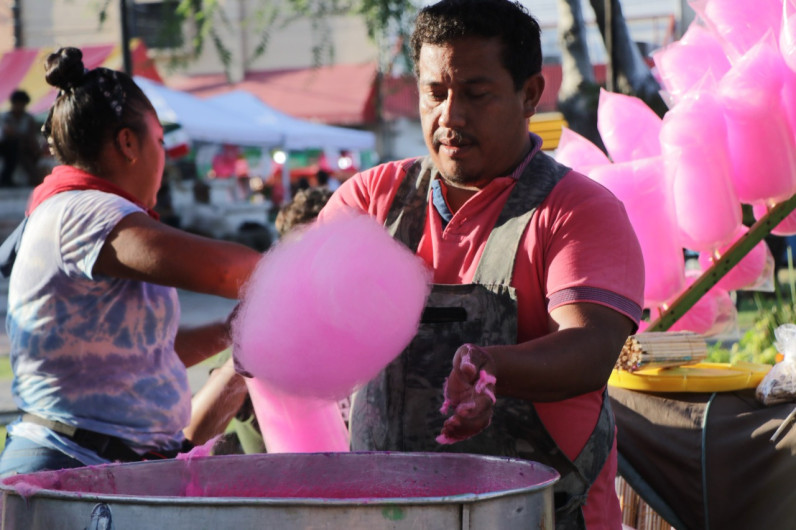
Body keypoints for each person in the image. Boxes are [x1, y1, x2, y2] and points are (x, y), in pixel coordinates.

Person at [315, 1, 645, 529]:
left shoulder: (579, 211)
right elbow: (304, 304)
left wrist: (493, 368)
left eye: (475, 93)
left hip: (542, 516)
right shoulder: (372, 200)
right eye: (435, 93)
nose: (451, 117)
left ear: (530, 94)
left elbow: (590, 348)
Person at [0, 47, 262, 477]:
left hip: (102, 465)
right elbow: (225, 272)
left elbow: (144, 355)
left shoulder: (78, 211)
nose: (164, 158)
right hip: (68, 464)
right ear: (127, 143)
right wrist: (305, 278)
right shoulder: (82, 211)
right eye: (160, 141)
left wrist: (228, 331)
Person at [185, 186, 336, 450]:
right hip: (282, 487)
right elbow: (191, 437)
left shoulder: (372, 338)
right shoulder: (264, 336)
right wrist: (244, 355)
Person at [0, 89, 41, 187]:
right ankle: (6, 178)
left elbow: (30, 136)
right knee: (14, 146)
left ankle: (34, 178)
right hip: (5, 147)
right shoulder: (5, 117)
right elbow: (7, 133)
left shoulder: (28, 118)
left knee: (25, 149)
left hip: (23, 147)